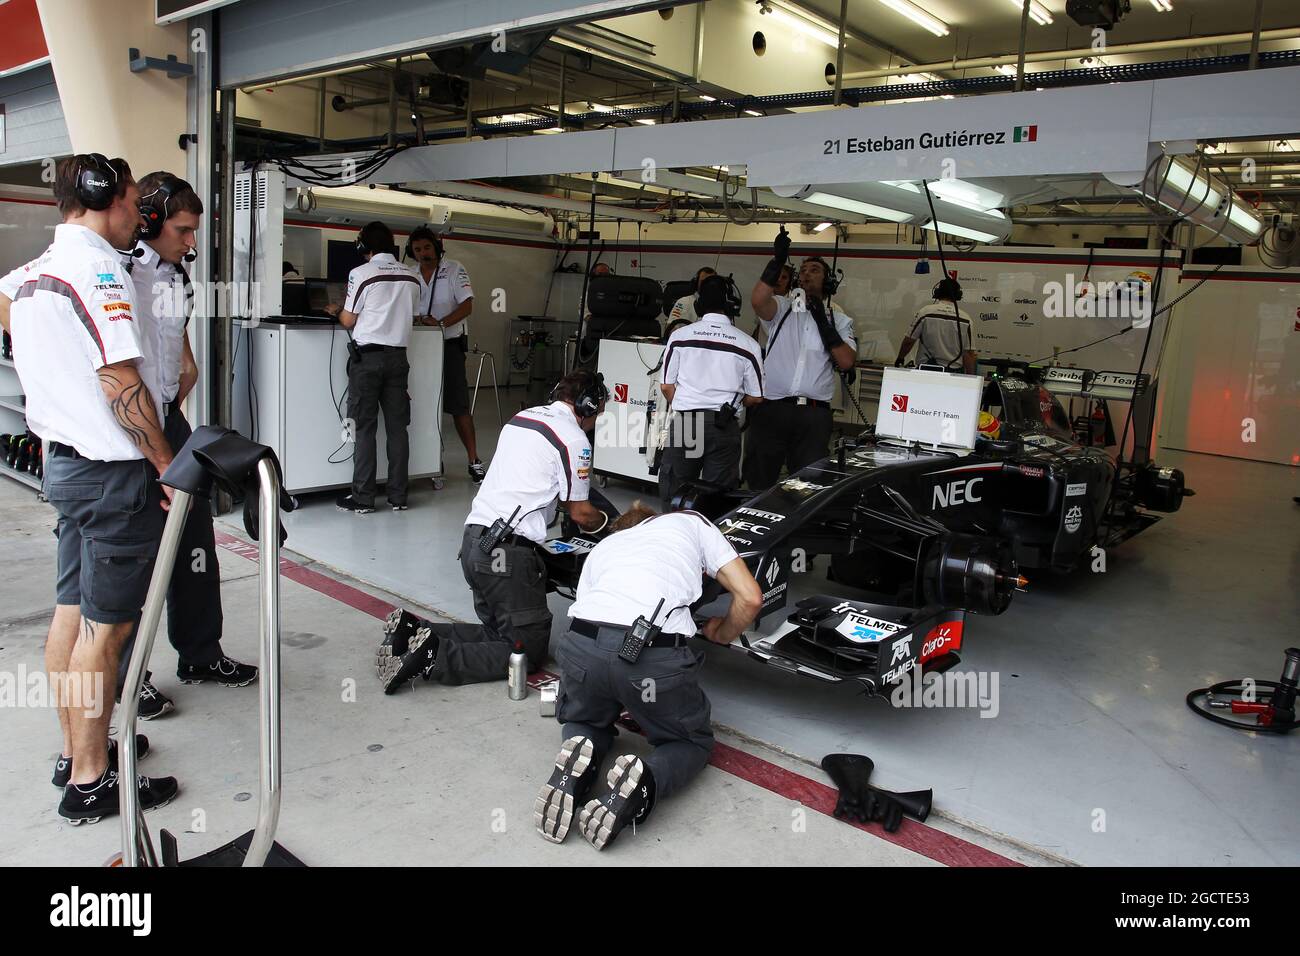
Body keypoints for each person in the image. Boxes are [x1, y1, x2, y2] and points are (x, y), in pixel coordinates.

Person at [3, 154, 179, 823]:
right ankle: (91, 780)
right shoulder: (100, 270)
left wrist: (55, 376)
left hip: (65, 467)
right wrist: (165, 463)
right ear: (108, 196)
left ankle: (76, 747)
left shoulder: (36, 272)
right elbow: (121, 382)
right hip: (111, 476)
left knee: (71, 615)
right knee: (106, 633)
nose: (140, 212)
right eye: (133, 198)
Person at [533, 501, 763, 850]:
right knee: (689, 742)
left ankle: (580, 757)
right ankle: (643, 783)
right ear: (655, 519)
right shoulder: (692, 522)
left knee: (587, 718)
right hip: (649, 659)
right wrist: (720, 632)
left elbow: (591, 609)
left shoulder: (606, 546)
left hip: (582, 645)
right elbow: (750, 598)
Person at [117, 171, 257, 717]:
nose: (191, 241)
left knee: (195, 540)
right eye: (182, 230)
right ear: (150, 220)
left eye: (194, 230)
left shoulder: (177, 275)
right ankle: (128, 677)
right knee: (134, 553)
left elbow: (175, 340)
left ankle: (201, 654)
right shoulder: (118, 270)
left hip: (170, 420)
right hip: (126, 428)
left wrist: (185, 368)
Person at [375, 371, 611, 691]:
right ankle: (434, 656)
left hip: (474, 543)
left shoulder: (522, 419)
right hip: (507, 556)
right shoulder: (574, 439)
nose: (596, 422)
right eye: (599, 413)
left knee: (498, 635)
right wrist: (611, 526)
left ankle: (412, 630)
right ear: (588, 406)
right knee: (525, 652)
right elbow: (580, 512)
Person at [745, 228, 858, 490]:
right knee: (759, 478)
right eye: (804, 270)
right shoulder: (782, 308)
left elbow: (846, 361)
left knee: (807, 485)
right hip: (772, 409)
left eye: (814, 270)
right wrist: (777, 261)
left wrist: (822, 321)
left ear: (829, 282)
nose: (806, 273)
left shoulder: (841, 321)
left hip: (814, 415)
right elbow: (758, 301)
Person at [328, 221, 420, 513]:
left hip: (367, 360)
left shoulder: (361, 273)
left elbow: (348, 320)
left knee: (364, 428)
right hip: (398, 359)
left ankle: (364, 497)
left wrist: (336, 310)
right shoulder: (412, 275)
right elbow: (414, 314)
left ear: (363, 246)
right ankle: (398, 497)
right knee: (398, 428)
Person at [657, 274, 763, 508]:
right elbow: (756, 397)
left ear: (698, 305)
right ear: (732, 306)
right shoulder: (749, 345)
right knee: (718, 500)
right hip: (724, 425)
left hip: (687, 423)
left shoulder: (679, 337)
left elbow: (665, 386)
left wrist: (687, 405)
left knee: (676, 493)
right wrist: (737, 403)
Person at [408, 225, 484, 482]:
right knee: (423, 404)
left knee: (459, 405)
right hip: (420, 347)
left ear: (437, 247)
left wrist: (441, 324)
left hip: (449, 345)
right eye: (417, 249)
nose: (423, 253)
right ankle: (429, 461)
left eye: (427, 247)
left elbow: (467, 306)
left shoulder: (454, 269)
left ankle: (474, 460)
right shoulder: (410, 274)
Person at [895, 277, 976, 373]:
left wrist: (900, 358)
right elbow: (968, 353)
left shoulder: (925, 312)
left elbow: (909, 341)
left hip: (926, 369)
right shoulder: (966, 319)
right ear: (958, 295)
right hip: (953, 372)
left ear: (937, 293)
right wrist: (970, 376)